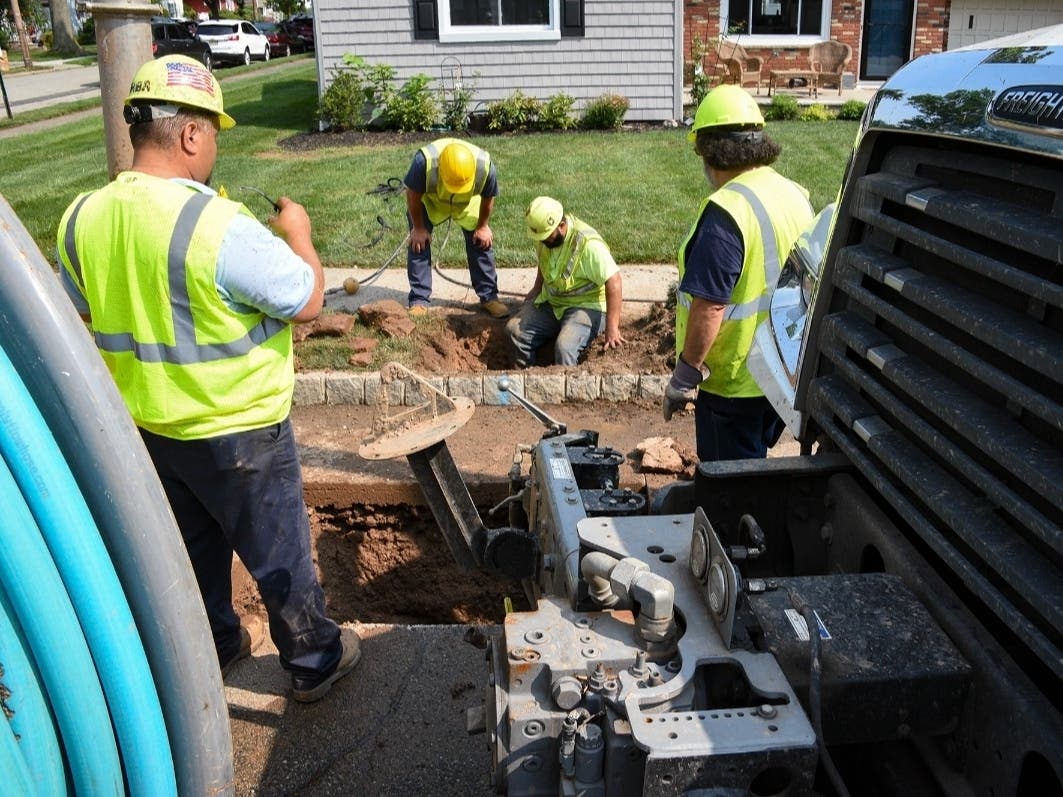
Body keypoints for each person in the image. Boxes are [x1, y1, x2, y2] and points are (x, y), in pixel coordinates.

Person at [56, 55, 360, 704]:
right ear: (191, 134)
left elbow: (85, 308)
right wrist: (299, 234)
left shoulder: (80, 218)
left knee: (191, 558)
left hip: (151, 432)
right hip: (240, 432)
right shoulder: (214, 225)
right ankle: (313, 659)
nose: (213, 143)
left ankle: (215, 650)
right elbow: (306, 299)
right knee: (279, 557)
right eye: (213, 130)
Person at [663, 85, 814, 461]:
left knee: (730, 493)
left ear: (710, 151)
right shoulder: (794, 193)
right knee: (755, 473)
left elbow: (710, 306)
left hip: (735, 384)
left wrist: (685, 376)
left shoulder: (726, 212)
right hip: (783, 372)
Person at [506, 196, 625, 367]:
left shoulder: (588, 245)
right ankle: (524, 382)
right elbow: (544, 262)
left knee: (565, 347)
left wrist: (612, 329)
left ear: (561, 226)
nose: (543, 241)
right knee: (514, 331)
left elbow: (614, 280)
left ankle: (566, 390)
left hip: (586, 306)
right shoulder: (545, 237)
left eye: (547, 237)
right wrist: (536, 289)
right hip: (553, 304)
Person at [403, 137, 509, 318]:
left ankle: (489, 296)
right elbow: (412, 195)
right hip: (431, 203)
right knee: (418, 243)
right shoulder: (424, 162)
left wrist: (483, 226)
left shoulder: (485, 167)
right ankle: (419, 300)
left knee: (481, 242)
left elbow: (488, 198)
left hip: (468, 204)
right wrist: (419, 228)